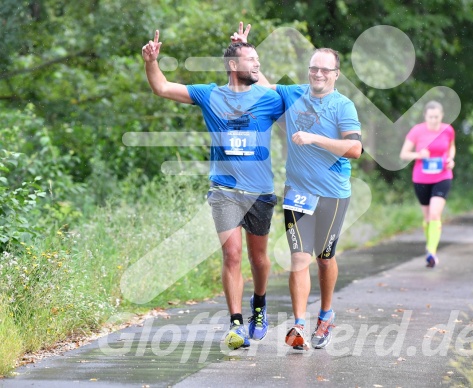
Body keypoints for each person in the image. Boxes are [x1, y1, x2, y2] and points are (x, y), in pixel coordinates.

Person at [142, 30, 284, 350]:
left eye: (258, 61)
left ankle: (259, 307)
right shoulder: (210, 95)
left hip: (260, 190)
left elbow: (278, 91)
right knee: (231, 254)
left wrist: (247, 53)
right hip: (225, 189)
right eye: (252, 61)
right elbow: (162, 87)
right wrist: (151, 62)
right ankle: (235, 325)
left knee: (258, 258)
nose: (257, 65)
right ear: (233, 66)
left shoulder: (267, 98)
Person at [231, 23, 363, 350]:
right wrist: (246, 52)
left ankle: (327, 314)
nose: (318, 74)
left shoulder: (343, 106)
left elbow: (355, 150)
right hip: (298, 193)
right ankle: (300, 325)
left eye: (324, 69)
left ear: (336, 74)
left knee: (324, 257)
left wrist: (315, 138)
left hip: (332, 193)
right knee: (300, 259)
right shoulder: (294, 95)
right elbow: (262, 86)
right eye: (313, 68)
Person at [399, 100, 455, 268]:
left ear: (442, 116)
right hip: (421, 179)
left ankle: (432, 251)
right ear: (425, 116)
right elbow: (404, 154)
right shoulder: (417, 131)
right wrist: (419, 155)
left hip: (443, 176)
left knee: (435, 215)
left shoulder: (448, 130)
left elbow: (451, 147)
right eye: (430, 117)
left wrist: (451, 159)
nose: (433, 120)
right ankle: (429, 246)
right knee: (427, 217)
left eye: (437, 117)